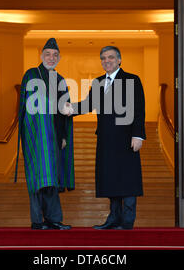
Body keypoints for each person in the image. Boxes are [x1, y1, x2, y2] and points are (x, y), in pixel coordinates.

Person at [69, 46, 146, 230]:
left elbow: (138, 109)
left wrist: (138, 135)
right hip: (106, 139)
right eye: (103, 58)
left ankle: (127, 222)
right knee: (111, 179)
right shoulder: (98, 82)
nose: (107, 61)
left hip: (127, 139)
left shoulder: (132, 79)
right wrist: (69, 109)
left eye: (111, 57)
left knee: (127, 180)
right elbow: (88, 105)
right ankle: (113, 218)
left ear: (119, 60)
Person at [17, 38, 74, 230]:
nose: (52, 57)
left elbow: (64, 110)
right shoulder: (32, 74)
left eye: (55, 55)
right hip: (36, 137)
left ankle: (53, 219)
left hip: (55, 137)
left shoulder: (60, 79)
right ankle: (37, 221)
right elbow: (27, 108)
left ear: (59, 58)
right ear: (41, 56)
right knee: (38, 178)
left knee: (52, 179)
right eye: (48, 54)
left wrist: (64, 136)